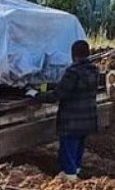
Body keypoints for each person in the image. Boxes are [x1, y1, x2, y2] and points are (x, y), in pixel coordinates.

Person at [33, 40, 99, 180]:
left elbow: (59, 95)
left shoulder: (72, 72)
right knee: (78, 149)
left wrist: (36, 95)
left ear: (73, 55)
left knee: (68, 150)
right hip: (87, 118)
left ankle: (70, 179)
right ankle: (76, 172)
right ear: (88, 53)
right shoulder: (94, 70)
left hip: (71, 120)